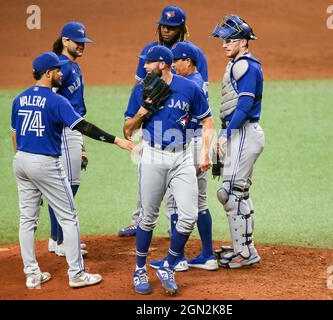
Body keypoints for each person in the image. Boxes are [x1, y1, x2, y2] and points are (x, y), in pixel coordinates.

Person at [11, 52, 135, 289]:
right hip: (45, 163)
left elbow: (15, 134)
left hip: (21, 161)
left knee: (27, 220)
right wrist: (116, 140)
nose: (61, 74)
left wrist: (20, 158)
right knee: (69, 217)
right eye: (57, 70)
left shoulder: (19, 98)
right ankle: (76, 274)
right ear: (48, 73)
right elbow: (84, 127)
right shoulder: (57, 101)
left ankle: (32, 274)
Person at [123, 46, 215, 295]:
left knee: (189, 215)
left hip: (183, 156)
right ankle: (140, 269)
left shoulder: (189, 88)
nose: (144, 67)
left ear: (162, 64)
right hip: (153, 155)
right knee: (148, 217)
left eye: (148, 63)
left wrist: (206, 152)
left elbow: (207, 121)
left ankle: (169, 264)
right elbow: (127, 130)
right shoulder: (141, 90)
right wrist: (144, 111)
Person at [119, 5, 209, 237]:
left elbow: (199, 89)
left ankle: (173, 227)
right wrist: (138, 116)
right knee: (146, 174)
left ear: (182, 29)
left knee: (177, 181)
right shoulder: (149, 51)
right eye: (164, 26)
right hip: (151, 121)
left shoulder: (192, 52)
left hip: (180, 124)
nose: (167, 30)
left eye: (172, 27)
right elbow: (139, 87)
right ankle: (139, 220)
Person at [148, 42, 218, 272]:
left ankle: (176, 259)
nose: (174, 66)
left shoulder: (189, 84)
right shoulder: (200, 81)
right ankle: (207, 254)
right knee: (199, 202)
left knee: (176, 201)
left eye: (176, 61)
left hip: (191, 144)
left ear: (187, 61)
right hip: (199, 142)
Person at [211, 15, 265, 269]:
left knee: (229, 193)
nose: (224, 44)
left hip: (242, 132)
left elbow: (244, 105)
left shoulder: (245, 66)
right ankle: (244, 247)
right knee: (239, 192)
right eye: (222, 39)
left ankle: (244, 252)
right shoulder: (240, 63)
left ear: (243, 42)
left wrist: (225, 133)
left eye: (229, 39)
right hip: (242, 133)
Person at [47, 22, 92, 257]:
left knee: (62, 185)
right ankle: (63, 241)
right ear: (65, 41)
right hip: (65, 130)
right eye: (78, 42)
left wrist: (81, 141)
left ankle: (56, 239)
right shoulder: (60, 66)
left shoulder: (72, 65)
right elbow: (49, 98)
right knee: (67, 186)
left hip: (73, 130)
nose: (82, 46)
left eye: (84, 42)